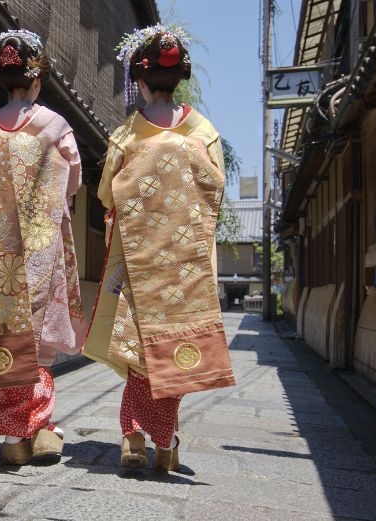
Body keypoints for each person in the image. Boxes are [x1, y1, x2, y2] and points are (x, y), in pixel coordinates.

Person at [83, 25, 236, 473]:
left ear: (141, 80)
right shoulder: (204, 131)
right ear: (180, 77)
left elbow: (106, 194)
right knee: (175, 353)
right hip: (186, 264)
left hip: (139, 260)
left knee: (139, 349)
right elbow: (215, 194)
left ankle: (133, 436)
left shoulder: (128, 134)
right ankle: (165, 443)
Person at [0, 29, 85, 466]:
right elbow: (74, 178)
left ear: (2, 79)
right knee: (39, 339)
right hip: (40, 246)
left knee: (1, 335)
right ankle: (39, 428)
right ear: (37, 80)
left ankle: (12, 437)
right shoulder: (55, 127)